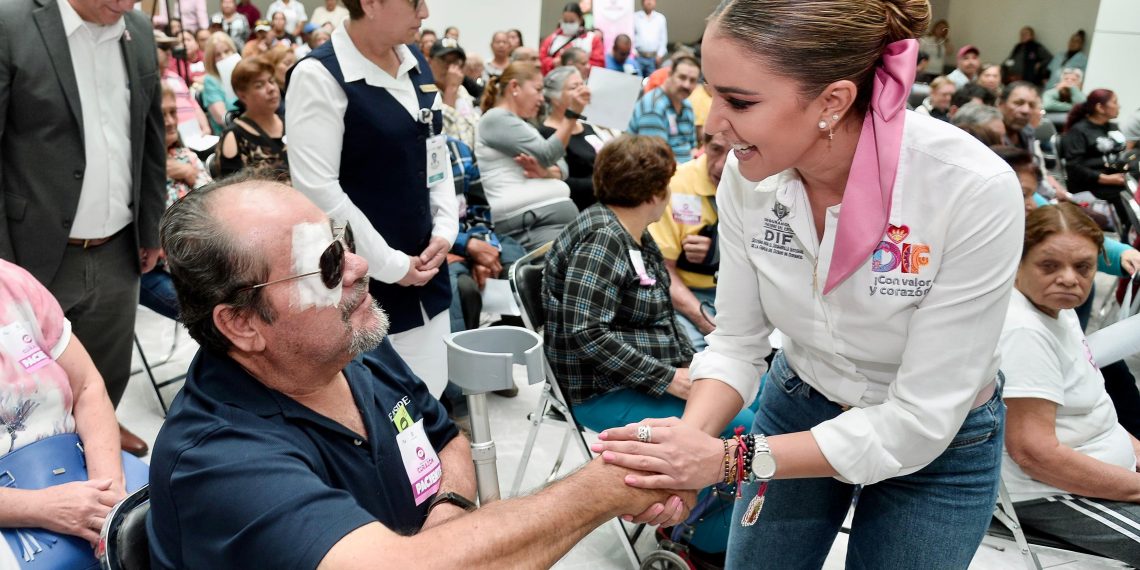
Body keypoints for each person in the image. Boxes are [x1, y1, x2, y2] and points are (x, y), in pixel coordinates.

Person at [593, 2, 1027, 569]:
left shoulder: (970, 190)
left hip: (939, 446)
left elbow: (918, 421)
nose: (712, 124)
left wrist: (724, 461)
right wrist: (687, 452)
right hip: (801, 401)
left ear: (833, 101)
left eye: (739, 102)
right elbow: (737, 342)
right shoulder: (749, 177)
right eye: (711, 93)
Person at [147, 177, 687, 568]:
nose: (358, 268)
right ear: (242, 324)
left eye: (345, 244)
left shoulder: (353, 347)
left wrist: (446, 515)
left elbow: (447, 439)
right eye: (328, 267)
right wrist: (607, 485)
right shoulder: (218, 460)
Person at [544, 135, 748, 563]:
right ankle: (701, 542)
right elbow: (587, 334)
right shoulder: (602, 241)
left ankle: (699, 517)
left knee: (749, 401)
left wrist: (694, 363)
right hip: (602, 392)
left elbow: (649, 312)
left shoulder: (629, 231)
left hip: (644, 372)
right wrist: (670, 379)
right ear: (657, 194)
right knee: (737, 432)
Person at [0, 0, 167, 458]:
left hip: (119, 241)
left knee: (108, 359)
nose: (128, 3)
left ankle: (100, 429)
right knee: (26, 374)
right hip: (29, 246)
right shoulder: (11, 23)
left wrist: (151, 226)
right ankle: (37, 456)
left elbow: (149, 134)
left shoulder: (136, 28)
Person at [288, 0, 458, 398]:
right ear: (371, 3)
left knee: (430, 390)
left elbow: (435, 149)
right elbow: (319, 190)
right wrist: (391, 264)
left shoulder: (415, 60)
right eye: (416, 2)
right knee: (377, 405)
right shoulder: (319, 76)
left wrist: (446, 227)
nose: (426, 13)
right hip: (361, 280)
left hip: (426, 265)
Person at [1000, 203, 1140, 565]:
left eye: (1083, 268)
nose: (1068, 278)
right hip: (1050, 493)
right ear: (1017, 261)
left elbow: (1093, 411)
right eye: (1049, 266)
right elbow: (1034, 453)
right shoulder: (1023, 331)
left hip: (1094, 476)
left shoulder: (1056, 311)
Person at [0, 260, 126, 550]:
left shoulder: (12, 284)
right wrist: (41, 507)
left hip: (75, 470)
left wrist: (109, 497)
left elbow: (87, 387)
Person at [475, 62, 588, 251]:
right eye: (537, 89)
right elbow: (548, 154)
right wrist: (572, 115)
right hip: (528, 224)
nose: (542, 98)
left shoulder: (522, 124)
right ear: (514, 87)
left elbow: (563, 166)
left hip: (544, 221)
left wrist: (545, 172)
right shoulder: (495, 119)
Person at [648, 133, 729, 351]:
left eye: (734, 154)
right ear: (703, 145)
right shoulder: (675, 185)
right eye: (716, 150)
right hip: (688, 296)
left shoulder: (764, 183)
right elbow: (662, 271)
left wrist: (716, 252)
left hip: (739, 294)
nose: (722, 165)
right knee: (698, 355)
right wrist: (706, 322)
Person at [141, 85, 211, 320]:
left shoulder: (186, 156)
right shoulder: (135, 169)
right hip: (154, 269)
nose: (171, 121)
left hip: (199, 262)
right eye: (163, 114)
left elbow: (212, 207)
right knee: (208, 319)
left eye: (173, 113)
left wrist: (187, 173)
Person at [1062, 89, 1131, 236]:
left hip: (1114, 179)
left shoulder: (1112, 127)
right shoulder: (1079, 131)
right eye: (1114, 102)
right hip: (1091, 184)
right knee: (1124, 197)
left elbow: (1118, 156)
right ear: (1100, 108)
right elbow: (1074, 167)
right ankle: (1129, 236)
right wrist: (1106, 179)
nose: (1119, 106)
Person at [538, 67, 600, 211]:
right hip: (581, 206)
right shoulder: (546, 133)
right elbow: (560, 180)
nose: (583, 91)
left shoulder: (587, 126)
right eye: (574, 87)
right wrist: (603, 183)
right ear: (555, 99)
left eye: (582, 84)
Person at [218, 56, 288, 179]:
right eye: (259, 85)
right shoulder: (234, 136)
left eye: (271, 81)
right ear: (242, 96)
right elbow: (231, 191)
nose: (271, 89)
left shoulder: (289, 123)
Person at [628, 54, 700, 164]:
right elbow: (656, 159)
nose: (687, 85)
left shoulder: (687, 106)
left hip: (685, 170)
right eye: (682, 77)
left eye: (692, 80)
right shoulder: (653, 107)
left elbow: (693, 147)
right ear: (670, 75)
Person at [430, 39, 480, 150]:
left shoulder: (461, 90)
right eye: (444, 61)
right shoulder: (425, 93)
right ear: (430, 62)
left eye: (455, 62)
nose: (450, 68)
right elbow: (439, 134)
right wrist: (451, 90)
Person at [540, 2, 604, 75]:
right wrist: (553, 63)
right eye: (565, 21)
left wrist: (578, 64)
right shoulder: (552, 38)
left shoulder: (592, 39)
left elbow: (599, 64)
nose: (568, 24)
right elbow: (541, 60)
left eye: (571, 21)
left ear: (580, 20)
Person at [201, 32, 241, 135]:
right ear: (211, 59)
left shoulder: (242, 73)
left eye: (227, 51)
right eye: (217, 55)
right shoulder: (210, 81)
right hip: (229, 134)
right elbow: (221, 117)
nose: (224, 57)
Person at [1000, 81, 1041, 151]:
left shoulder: (1028, 132)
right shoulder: (986, 136)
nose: (1026, 110)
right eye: (1018, 103)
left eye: (1031, 105)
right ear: (1001, 104)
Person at [633, 0, 667, 77]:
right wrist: (634, 52)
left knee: (651, 83)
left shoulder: (660, 18)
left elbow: (663, 39)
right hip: (638, 57)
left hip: (654, 59)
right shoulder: (634, 17)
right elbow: (630, 36)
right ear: (642, 2)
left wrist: (660, 55)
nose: (649, 2)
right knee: (636, 82)